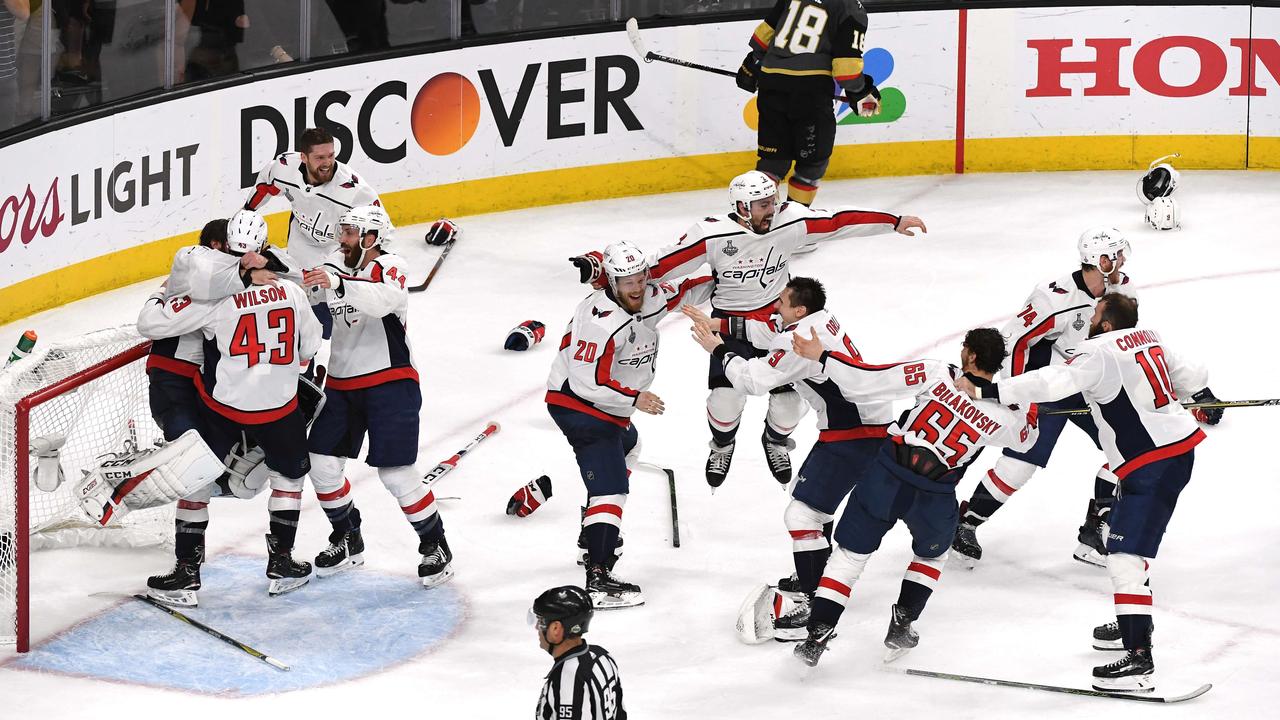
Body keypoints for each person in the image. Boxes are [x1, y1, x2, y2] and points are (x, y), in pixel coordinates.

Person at [569, 170, 925, 489]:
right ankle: (722, 445)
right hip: (728, 326)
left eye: (773, 200)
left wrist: (892, 221)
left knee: (787, 407)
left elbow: (836, 222)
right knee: (725, 402)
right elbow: (659, 265)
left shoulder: (790, 221)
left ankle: (775, 440)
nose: (771, 208)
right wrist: (604, 274)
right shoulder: (712, 233)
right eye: (761, 204)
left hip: (778, 325)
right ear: (741, 207)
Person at [956, 294, 1217, 693]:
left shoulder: (1098, 351)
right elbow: (1192, 375)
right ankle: (1133, 619)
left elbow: (1051, 381)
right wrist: (1196, 397)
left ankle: (1139, 660)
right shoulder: (1150, 337)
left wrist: (988, 390)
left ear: (1108, 324)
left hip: (1151, 463)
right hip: (1178, 452)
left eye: (1095, 315)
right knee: (1133, 550)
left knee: (1125, 556)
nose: (1090, 319)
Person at [789, 328, 1040, 667]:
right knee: (931, 557)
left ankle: (817, 634)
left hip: (886, 476)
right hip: (934, 493)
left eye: (965, 347)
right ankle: (903, 624)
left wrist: (823, 357)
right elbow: (1026, 439)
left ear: (972, 357)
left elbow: (867, 382)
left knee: (849, 558)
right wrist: (1021, 400)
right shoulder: (1002, 417)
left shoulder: (936, 372)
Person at [686, 276, 892, 641]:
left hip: (855, 432)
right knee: (812, 503)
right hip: (860, 423)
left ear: (799, 309)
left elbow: (751, 380)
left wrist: (719, 349)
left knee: (801, 515)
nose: (775, 307)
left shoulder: (795, 339)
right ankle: (817, 573)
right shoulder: (820, 320)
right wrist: (724, 325)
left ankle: (815, 604)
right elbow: (768, 334)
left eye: (781, 302)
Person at [136, 210, 323, 602]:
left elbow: (151, 325)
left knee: (197, 479)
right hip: (279, 408)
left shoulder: (215, 298)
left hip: (223, 409)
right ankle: (282, 562)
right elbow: (309, 347)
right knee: (288, 478)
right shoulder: (292, 292)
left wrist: (164, 294)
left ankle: (187, 572)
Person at [951, 227, 1157, 568]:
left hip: (1092, 383)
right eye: (1116, 255)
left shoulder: (1123, 288)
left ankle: (1095, 530)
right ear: (1098, 260)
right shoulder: (1053, 298)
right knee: (1023, 460)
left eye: (1122, 253)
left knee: (1129, 450)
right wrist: (1018, 395)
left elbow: (1124, 340)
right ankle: (966, 522)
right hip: (1050, 386)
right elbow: (1016, 341)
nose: (1122, 260)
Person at [548, 241, 714, 608]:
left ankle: (592, 534)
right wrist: (634, 398)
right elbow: (585, 381)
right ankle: (599, 576)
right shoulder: (598, 321)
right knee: (612, 488)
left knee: (629, 446)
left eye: (640, 278)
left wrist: (730, 277)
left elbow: (686, 289)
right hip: (579, 406)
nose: (636, 287)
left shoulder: (648, 295)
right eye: (626, 282)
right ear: (611, 282)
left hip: (609, 408)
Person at [300, 205, 454, 587]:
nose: (343, 238)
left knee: (398, 474)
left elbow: (383, 301)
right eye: (344, 231)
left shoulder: (391, 265)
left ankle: (435, 545)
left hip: (391, 381)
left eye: (351, 232)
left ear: (371, 238)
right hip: (341, 382)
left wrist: (336, 285)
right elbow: (313, 309)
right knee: (320, 465)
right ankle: (347, 536)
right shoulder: (334, 263)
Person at [735, 0, 880, 206]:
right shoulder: (851, 8)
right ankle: (796, 221)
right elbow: (847, 71)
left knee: (773, 161)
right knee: (812, 163)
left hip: (772, 85)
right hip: (810, 91)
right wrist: (861, 90)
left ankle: (756, 219)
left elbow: (761, 38)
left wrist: (753, 63)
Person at [531, 585, 626, 720]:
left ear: (556, 629)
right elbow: (620, 713)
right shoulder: (602, 656)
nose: (536, 628)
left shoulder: (567, 680)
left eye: (540, 621)